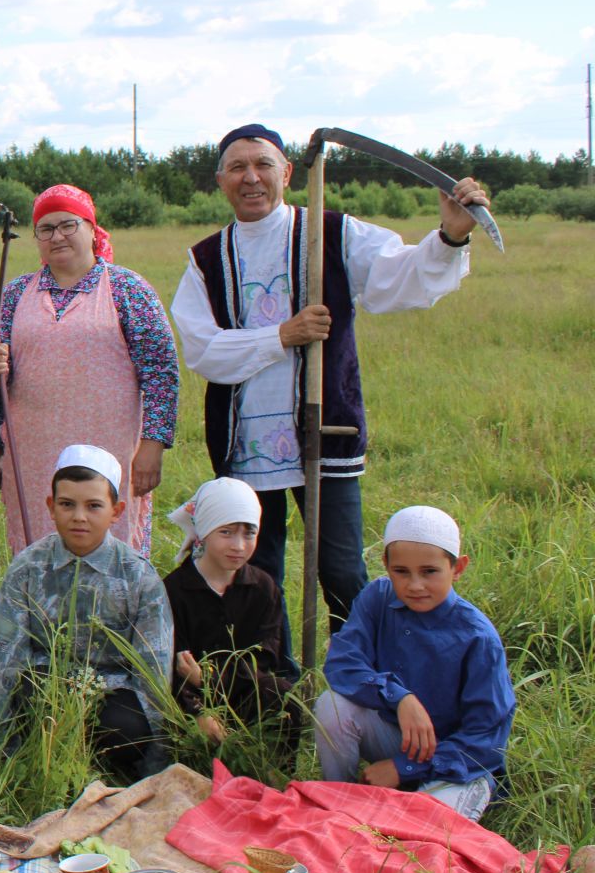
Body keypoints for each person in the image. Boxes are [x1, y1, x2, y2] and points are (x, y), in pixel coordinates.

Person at [170, 124, 493, 655]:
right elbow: (204, 350)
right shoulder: (206, 258)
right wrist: (283, 336)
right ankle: (265, 686)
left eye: (263, 165)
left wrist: (451, 235)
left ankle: (355, 684)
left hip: (325, 430)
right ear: (220, 181)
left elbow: (400, 279)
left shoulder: (332, 233)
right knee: (254, 569)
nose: (251, 178)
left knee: (341, 569)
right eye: (237, 168)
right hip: (245, 444)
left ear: (287, 172)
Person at [0, 184, 178, 556]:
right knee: (42, 536)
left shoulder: (127, 289)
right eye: (46, 229)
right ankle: (43, 612)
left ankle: (112, 614)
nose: (57, 236)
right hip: (36, 451)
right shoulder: (16, 294)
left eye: (68, 225)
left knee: (110, 537)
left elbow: (161, 370)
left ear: (91, 228)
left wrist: (153, 443)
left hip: (111, 446)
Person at [0, 445, 172, 782]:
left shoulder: (138, 577)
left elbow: (153, 671)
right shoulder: (29, 567)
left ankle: (113, 770)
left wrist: (157, 764)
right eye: (67, 504)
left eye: (94, 506)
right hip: (45, 687)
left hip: (110, 693)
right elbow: (2, 657)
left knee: (128, 728)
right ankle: (42, 765)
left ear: (116, 511)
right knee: (30, 708)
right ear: (51, 507)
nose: (79, 517)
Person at [313, 505, 513, 821]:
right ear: (386, 565)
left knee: (421, 832)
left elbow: (485, 739)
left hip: (458, 763)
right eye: (401, 572)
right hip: (398, 736)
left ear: (457, 567)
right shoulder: (378, 597)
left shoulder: (478, 637)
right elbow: (342, 663)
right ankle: (340, 807)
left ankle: (403, 801)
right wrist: (400, 697)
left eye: (429, 571)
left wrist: (402, 767)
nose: (415, 585)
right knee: (332, 706)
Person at [163, 477, 295, 749]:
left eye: (249, 533)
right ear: (204, 532)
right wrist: (199, 711)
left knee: (281, 693)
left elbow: (265, 656)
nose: (238, 545)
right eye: (226, 532)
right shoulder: (175, 590)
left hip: (245, 693)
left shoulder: (263, 587)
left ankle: (272, 772)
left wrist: (210, 679)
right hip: (188, 701)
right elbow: (175, 665)